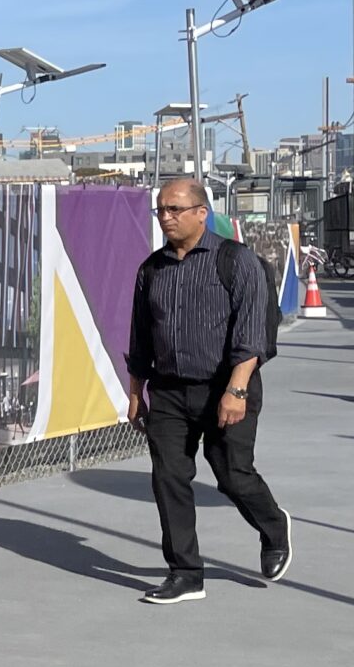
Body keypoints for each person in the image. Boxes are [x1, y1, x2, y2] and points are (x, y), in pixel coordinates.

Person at [123, 177, 292, 605]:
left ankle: (273, 527)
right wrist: (135, 392)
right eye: (161, 210)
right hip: (169, 393)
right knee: (169, 479)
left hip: (226, 387)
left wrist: (235, 392)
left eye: (175, 209)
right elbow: (141, 336)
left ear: (201, 212)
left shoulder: (236, 262)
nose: (166, 218)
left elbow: (252, 333)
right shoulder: (152, 269)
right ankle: (185, 573)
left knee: (233, 475)